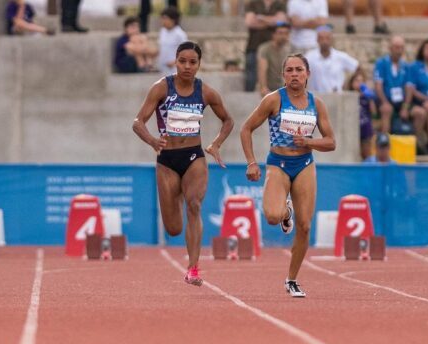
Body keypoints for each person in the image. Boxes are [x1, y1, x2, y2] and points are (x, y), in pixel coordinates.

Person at [132, 41, 234, 286]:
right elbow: (138, 122)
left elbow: (228, 120)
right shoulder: (161, 88)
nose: (187, 67)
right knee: (174, 228)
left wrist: (216, 144)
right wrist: (153, 141)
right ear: (175, 62)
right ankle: (176, 194)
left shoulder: (206, 92)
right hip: (167, 160)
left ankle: (193, 268)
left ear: (199, 64)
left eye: (192, 62)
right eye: (182, 61)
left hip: (193, 156)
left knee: (195, 205)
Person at [240, 54, 336, 298]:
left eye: (299, 70)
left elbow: (331, 142)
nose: (295, 74)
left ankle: (292, 279)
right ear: (283, 75)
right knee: (272, 216)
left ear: (308, 74)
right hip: (278, 163)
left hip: (304, 163)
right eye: (290, 70)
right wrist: (251, 162)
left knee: (304, 226)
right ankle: (285, 211)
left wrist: (309, 142)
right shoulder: (274, 100)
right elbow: (246, 128)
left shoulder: (317, 104)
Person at [244, 0, 288, 92]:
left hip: (274, 47)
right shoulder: (253, 4)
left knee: (277, 75)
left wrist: (260, 18)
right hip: (253, 46)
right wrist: (272, 21)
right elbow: (249, 22)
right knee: (250, 78)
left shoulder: (279, 4)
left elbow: (282, 21)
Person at [373, 35, 413, 135]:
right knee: (387, 109)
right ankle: (384, 140)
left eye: (401, 48)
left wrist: (406, 106)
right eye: (396, 47)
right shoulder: (381, 63)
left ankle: (417, 144)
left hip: (401, 101)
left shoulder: (406, 66)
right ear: (390, 48)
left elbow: (409, 88)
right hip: (386, 99)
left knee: (418, 113)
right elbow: (378, 86)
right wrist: (385, 102)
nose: (399, 50)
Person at [304, 25, 358, 94]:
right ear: (317, 40)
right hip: (316, 98)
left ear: (331, 39)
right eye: (321, 38)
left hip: (337, 97)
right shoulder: (309, 57)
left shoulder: (341, 56)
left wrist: (349, 85)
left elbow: (358, 68)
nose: (324, 41)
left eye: (327, 38)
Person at [347, 68, 377, 160]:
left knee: (366, 154)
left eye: (361, 81)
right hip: (352, 130)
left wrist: (370, 98)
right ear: (352, 83)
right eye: (356, 80)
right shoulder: (348, 96)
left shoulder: (366, 97)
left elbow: (374, 112)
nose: (359, 83)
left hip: (365, 128)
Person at [257, 22, 292, 96]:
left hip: (285, 90)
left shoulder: (290, 50)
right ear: (273, 34)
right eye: (280, 33)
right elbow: (262, 69)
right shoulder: (265, 49)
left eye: (286, 33)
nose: (283, 36)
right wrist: (263, 87)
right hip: (269, 90)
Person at [157, 6, 188, 75]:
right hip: (162, 69)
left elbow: (186, 52)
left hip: (175, 70)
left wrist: (175, 62)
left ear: (173, 20)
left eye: (165, 19)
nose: (163, 21)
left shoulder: (180, 34)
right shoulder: (162, 31)